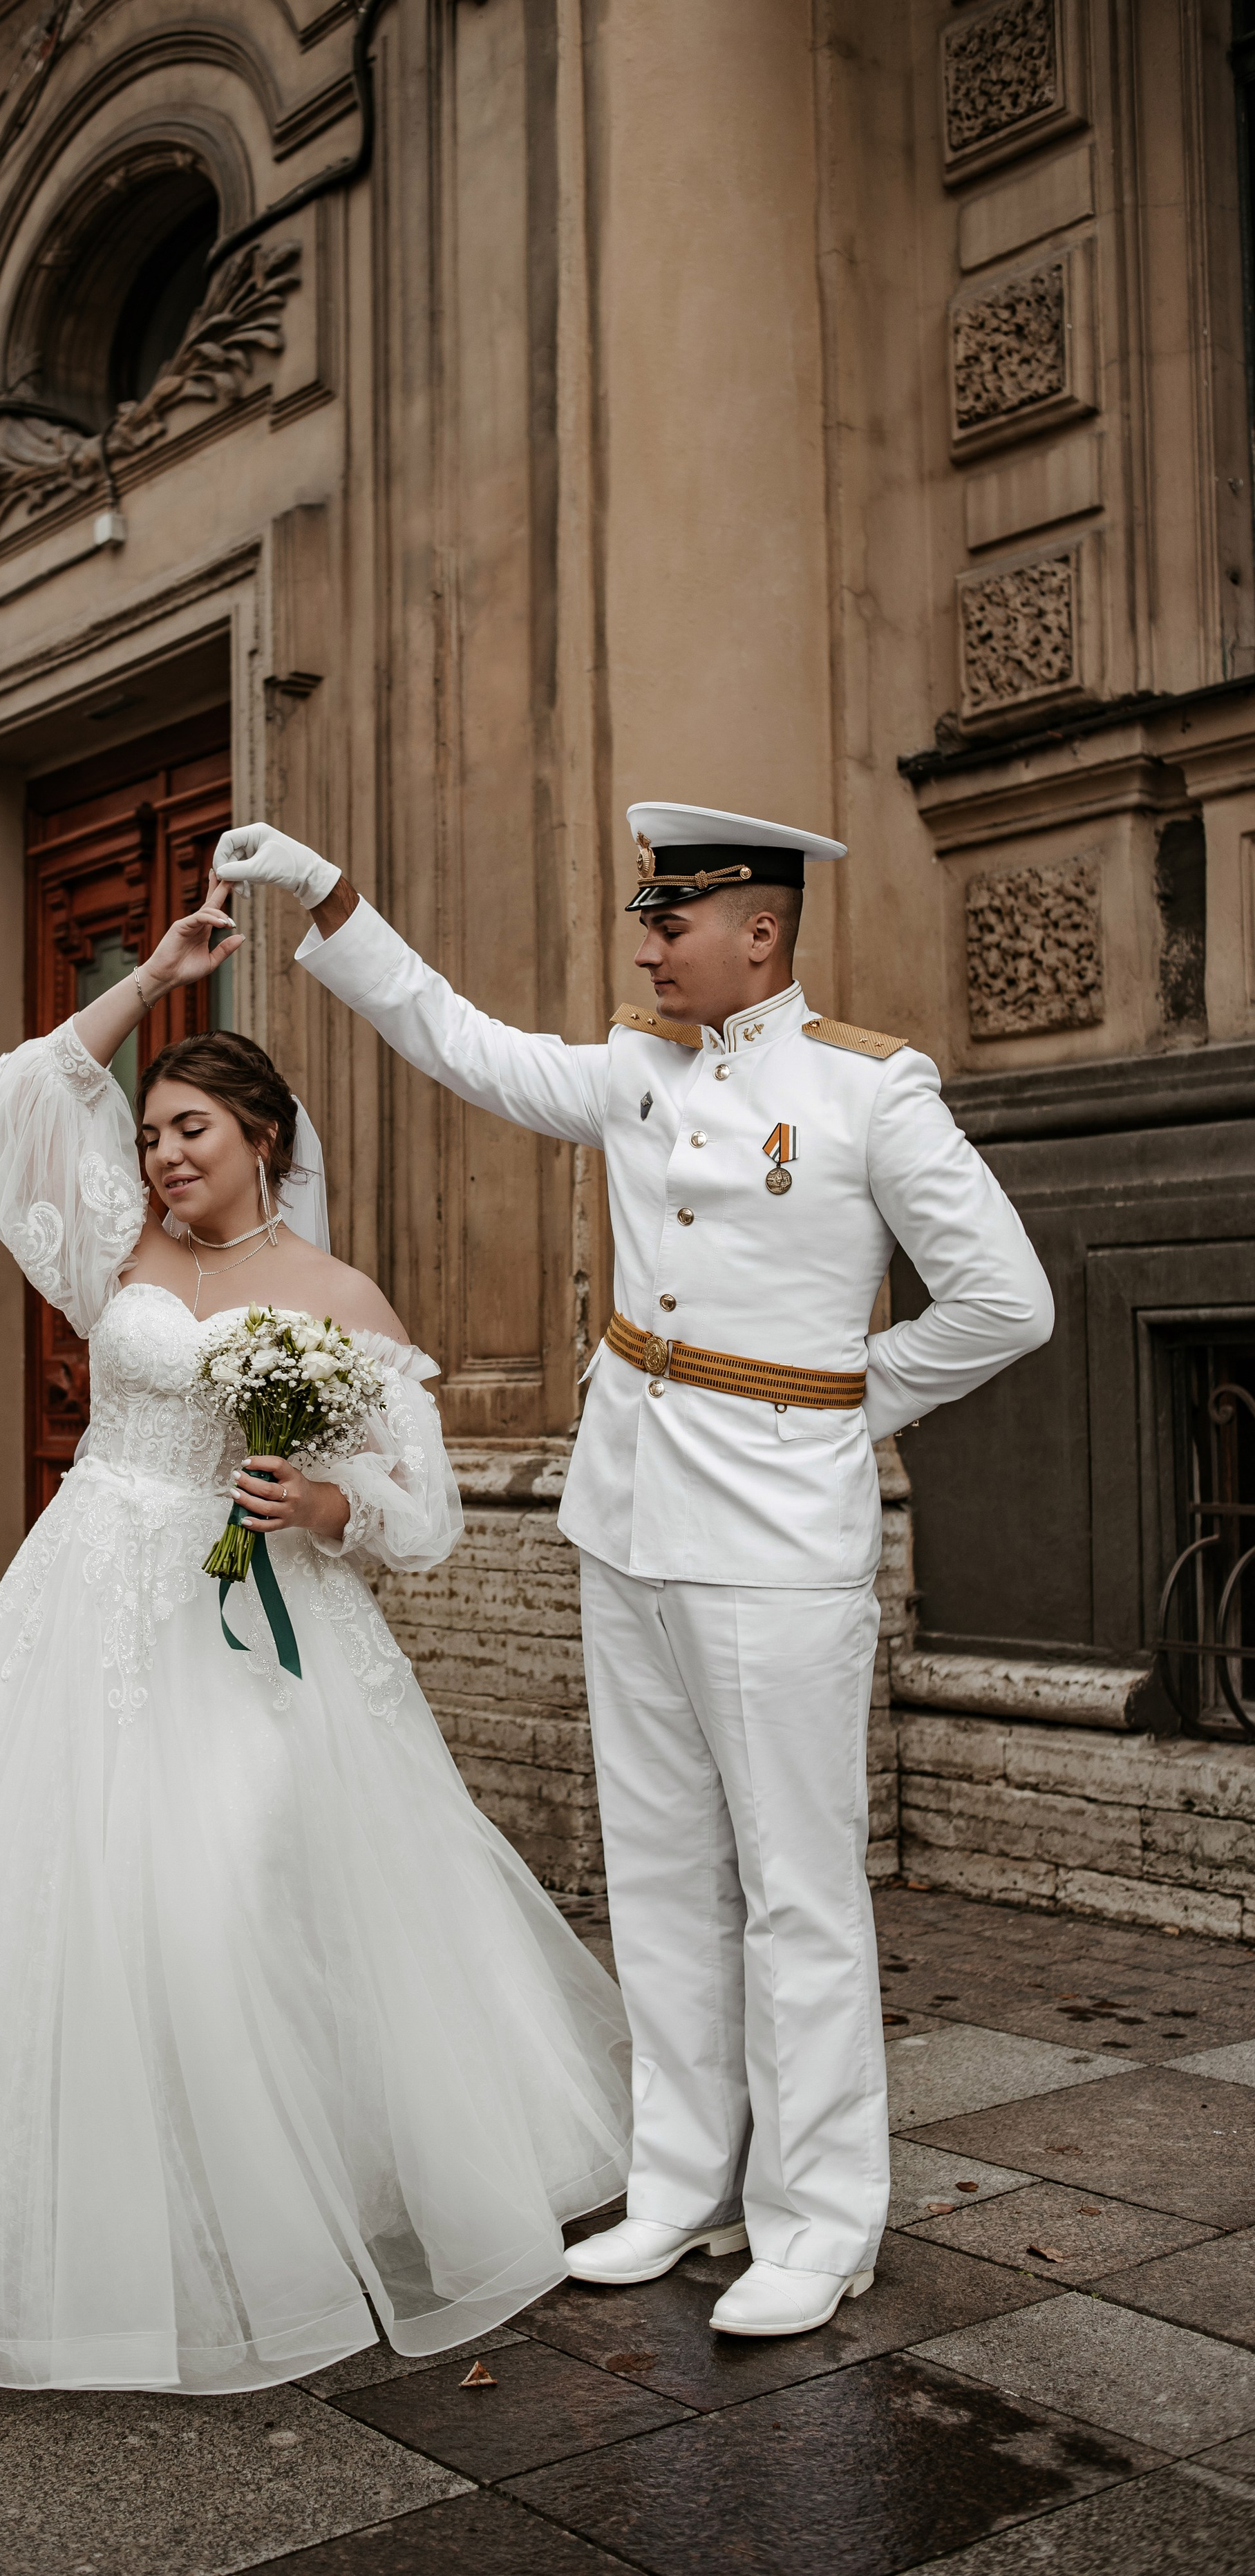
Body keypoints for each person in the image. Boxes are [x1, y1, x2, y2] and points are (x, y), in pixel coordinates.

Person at [0, 883, 630, 2395]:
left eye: (190, 1127)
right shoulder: (113, 1256)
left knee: (232, 1888)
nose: (161, 1153)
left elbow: (426, 1513)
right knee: (61, 1897)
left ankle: (287, 2201)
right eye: (150, 1131)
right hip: (84, 1607)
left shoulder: (335, 1298)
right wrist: (147, 988)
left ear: (265, 1137)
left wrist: (324, 1500)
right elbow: (14, 1098)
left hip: (257, 1638)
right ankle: (97, 2205)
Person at [213, 802, 1054, 2339]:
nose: (648, 944)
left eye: (674, 920)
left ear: (761, 929)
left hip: (778, 1536)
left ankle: (818, 2218)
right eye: (643, 919)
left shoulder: (868, 1088)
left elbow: (1003, 1299)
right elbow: (451, 1036)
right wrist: (332, 898)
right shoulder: (628, 1070)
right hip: (628, 1516)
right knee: (660, 1875)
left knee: (797, 1892)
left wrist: (849, 1395)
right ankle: (680, 2184)